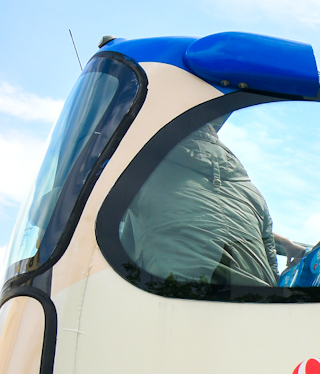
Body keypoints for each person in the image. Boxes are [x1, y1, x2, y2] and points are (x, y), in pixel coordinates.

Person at [119, 121, 281, 288]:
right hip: (256, 300)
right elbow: (272, 265)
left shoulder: (142, 169)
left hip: (179, 293)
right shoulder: (254, 194)